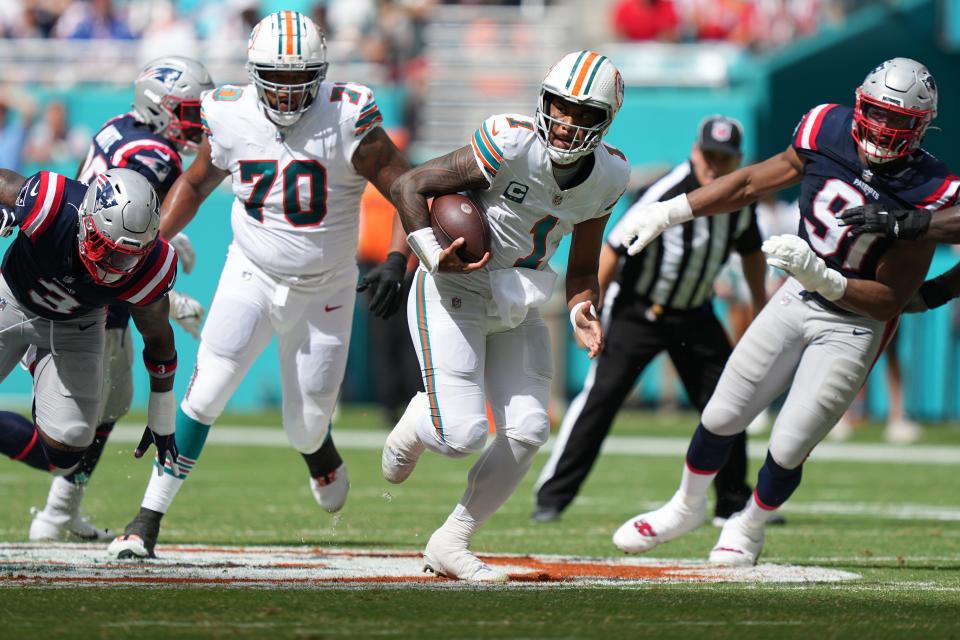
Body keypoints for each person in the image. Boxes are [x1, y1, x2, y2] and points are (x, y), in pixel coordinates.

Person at [609, 57, 953, 566]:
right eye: (878, 113)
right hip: (798, 293)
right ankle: (685, 505)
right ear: (859, 103)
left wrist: (827, 274)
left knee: (790, 444)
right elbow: (750, 184)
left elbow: (890, 300)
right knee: (723, 412)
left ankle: (748, 525)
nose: (883, 130)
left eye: (898, 121)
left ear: (921, 127)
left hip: (854, 321)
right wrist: (671, 210)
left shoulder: (929, 187)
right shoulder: (824, 127)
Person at [108, 11, 413, 559]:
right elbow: (196, 183)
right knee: (206, 392)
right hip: (250, 271)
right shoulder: (228, 113)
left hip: (327, 287)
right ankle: (146, 519)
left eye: (302, 81)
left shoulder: (347, 116)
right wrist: (149, 243)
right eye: (279, 79)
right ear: (254, 73)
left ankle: (316, 451)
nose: (291, 94)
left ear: (320, 75)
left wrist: (396, 258)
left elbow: (408, 187)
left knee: (306, 422)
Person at [384, 50, 630, 582]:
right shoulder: (511, 140)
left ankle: (452, 541)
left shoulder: (609, 175)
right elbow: (409, 185)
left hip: (519, 299)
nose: (566, 122)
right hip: (454, 286)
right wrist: (429, 251)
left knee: (529, 427)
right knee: (463, 434)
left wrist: (583, 306)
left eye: (582, 113)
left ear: (604, 120)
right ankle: (414, 423)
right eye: (560, 107)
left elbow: (583, 265)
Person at [531, 115, 770, 526]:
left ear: (737, 160)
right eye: (709, 155)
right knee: (600, 399)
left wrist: (761, 305)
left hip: (695, 312)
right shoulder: (667, 191)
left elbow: (752, 252)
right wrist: (593, 308)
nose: (714, 164)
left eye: (724, 158)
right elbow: (612, 247)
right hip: (638, 309)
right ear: (696, 151)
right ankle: (551, 497)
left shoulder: (737, 201)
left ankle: (731, 501)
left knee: (730, 400)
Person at [27, 56, 213, 542]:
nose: (195, 122)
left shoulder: (118, 127)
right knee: (100, 410)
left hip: (82, 271)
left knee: (108, 405)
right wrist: (164, 298)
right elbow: (128, 237)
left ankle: (60, 509)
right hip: (100, 287)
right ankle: (57, 510)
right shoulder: (155, 154)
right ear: (161, 105)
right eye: (188, 111)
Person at [0, 168, 179, 493]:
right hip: (10, 299)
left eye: (126, 258)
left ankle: (41, 365)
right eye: (105, 247)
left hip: (76, 326)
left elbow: (158, 338)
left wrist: (162, 414)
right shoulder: (51, 203)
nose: (111, 265)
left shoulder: (151, 267)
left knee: (66, 449)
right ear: (86, 218)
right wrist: (7, 210)